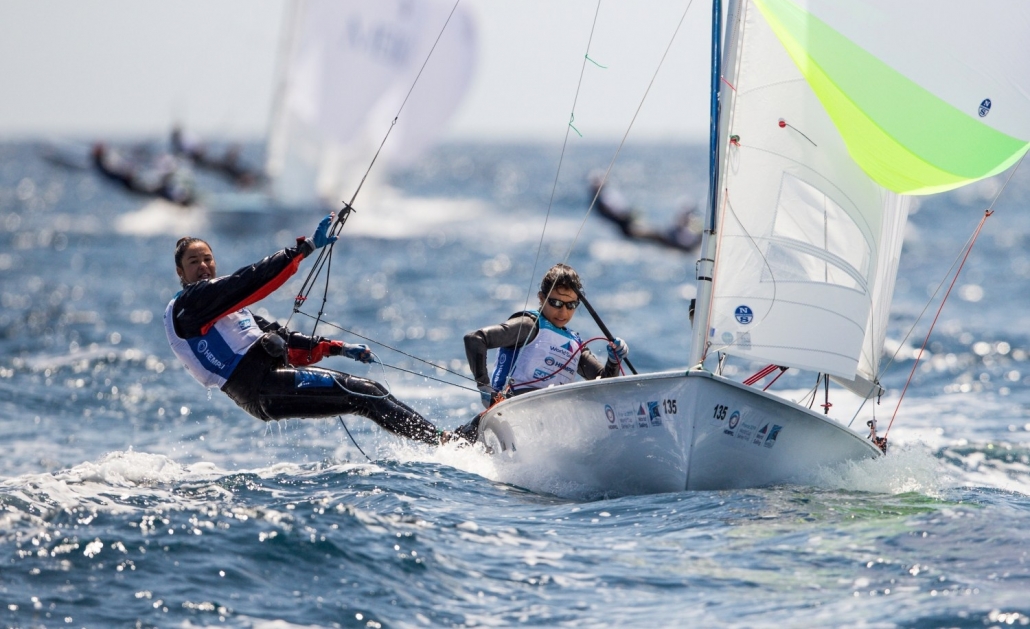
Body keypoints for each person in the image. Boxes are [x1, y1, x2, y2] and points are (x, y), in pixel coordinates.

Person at [163, 215, 443, 445]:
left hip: (269, 380)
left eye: (208, 259)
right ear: (180, 272)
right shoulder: (188, 306)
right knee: (365, 393)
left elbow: (285, 340)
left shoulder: (225, 311)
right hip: (259, 387)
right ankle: (445, 442)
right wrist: (303, 249)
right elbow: (246, 281)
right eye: (193, 262)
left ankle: (441, 439)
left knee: (370, 392)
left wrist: (339, 349)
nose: (203, 266)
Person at [448, 263, 630, 444]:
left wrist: (613, 360)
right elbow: (475, 339)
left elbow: (604, 385)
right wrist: (484, 387)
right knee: (452, 442)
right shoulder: (529, 326)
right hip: (507, 419)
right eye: (556, 303)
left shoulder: (576, 344)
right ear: (542, 298)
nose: (563, 311)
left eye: (571, 305)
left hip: (550, 426)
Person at [590, 174, 700, 252]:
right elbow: (617, 216)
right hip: (628, 228)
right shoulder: (601, 203)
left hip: (629, 228)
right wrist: (628, 216)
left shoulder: (600, 201)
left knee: (655, 235)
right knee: (655, 235)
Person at [91, 142, 196, 206]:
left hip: (130, 184)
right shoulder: (102, 165)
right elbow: (115, 174)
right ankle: (182, 202)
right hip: (129, 185)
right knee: (157, 190)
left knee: (157, 189)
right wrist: (127, 174)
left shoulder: (101, 163)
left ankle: (181, 201)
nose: (105, 149)